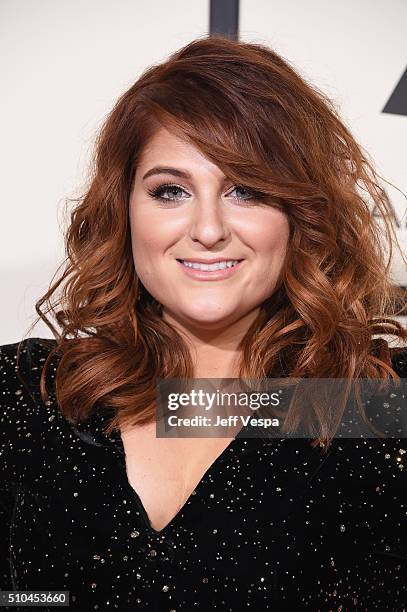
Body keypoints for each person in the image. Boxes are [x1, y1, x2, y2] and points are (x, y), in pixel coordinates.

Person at [1, 35, 407, 611]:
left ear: (299, 212)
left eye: (246, 190)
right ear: (124, 210)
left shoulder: (377, 406)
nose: (209, 228)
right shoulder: (28, 391)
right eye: (171, 191)